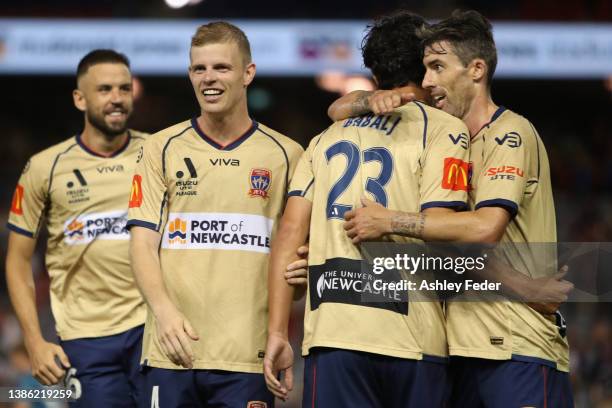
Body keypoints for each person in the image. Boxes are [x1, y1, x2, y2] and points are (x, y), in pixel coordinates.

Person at [332, 10, 573, 407]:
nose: (428, 82)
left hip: (517, 347)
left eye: (437, 67)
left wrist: (390, 221)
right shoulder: (444, 137)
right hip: (460, 351)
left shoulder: (509, 133)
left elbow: (482, 231)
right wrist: (369, 98)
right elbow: (337, 110)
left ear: (476, 69)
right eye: (425, 69)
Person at [264, 11, 471, 407]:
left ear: (374, 70)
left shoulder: (324, 139)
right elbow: (446, 232)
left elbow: (289, 234)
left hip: (332, 335)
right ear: (425, 66)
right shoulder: (444, 129)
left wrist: (277, 332)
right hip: (412, 337)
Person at [127, 21, 303, 407]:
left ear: (247, 74)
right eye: (199, 68)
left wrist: (299, 284)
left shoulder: (287, 155)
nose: (209, 78)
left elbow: (293, 253)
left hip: (248, 357)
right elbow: (141, 243)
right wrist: (165, 312)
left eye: (221, 67)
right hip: (171, 352)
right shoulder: (161, 148)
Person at [6, 49, 147, 407]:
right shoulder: (44, 167)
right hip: (86, 339)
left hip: (154, 331)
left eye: (123, 88)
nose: (116, 98)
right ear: (79, 98)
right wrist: (34, 341)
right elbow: (18, 261)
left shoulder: (160, 153)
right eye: (104, 89)